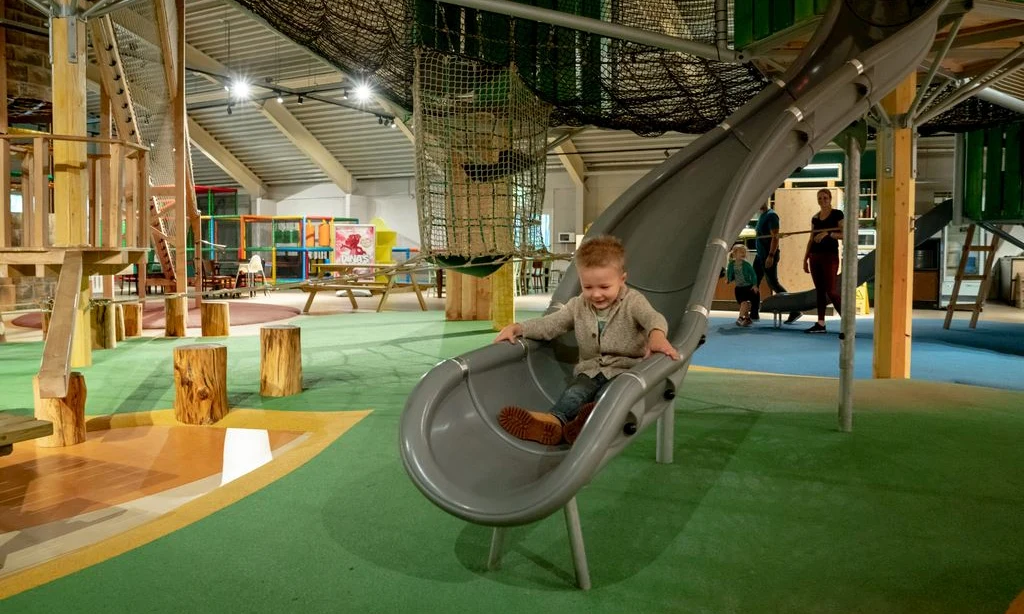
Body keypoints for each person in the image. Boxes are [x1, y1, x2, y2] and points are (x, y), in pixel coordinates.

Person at [493, 235, 679, 446]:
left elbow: (653, 318)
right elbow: (552, 324)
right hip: (590, 369)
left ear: (622, 279)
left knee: (608, 396)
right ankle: (554, 422)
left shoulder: (633, 301)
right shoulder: (578, 305)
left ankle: (590, 423)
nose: (596, 294)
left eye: (604, 287)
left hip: (625, 371)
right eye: (588, 287)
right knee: (575, 393)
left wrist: (657, 335)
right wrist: (520, 328)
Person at [802, 188, 844, 333]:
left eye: (825, 198)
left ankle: (847, 322)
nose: (822, 200)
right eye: (819, 198)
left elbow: (845, 234)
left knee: (831, 291)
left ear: (830, 198)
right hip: (815, 256)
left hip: (829, 256)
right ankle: (821, 324)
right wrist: (805, 258)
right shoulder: (815, 217)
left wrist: (828, 234)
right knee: (819, 291)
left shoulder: (837, 214)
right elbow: (811, 239)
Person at [753, 202, 802, 324]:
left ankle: (795, 309)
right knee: (754, 283)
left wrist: (770, 256)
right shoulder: (762, 215)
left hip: (767, 256)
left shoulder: (772, 216)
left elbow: (775, 238)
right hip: (759, 255)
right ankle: (754, 313)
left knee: (773, 284)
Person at [726, 244, 758, 327]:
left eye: (744, 252)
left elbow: (753, 274)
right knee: (743, 304)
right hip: (738, 288)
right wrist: (728, 280)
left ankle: (740, 318)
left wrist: (754, 285)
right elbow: (729, 272)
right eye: (741, 252)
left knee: (744, 303)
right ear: (734, 254)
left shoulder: (746, 265)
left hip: (748, 287)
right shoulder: (731, 264)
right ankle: (747, 319)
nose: (743, 254)